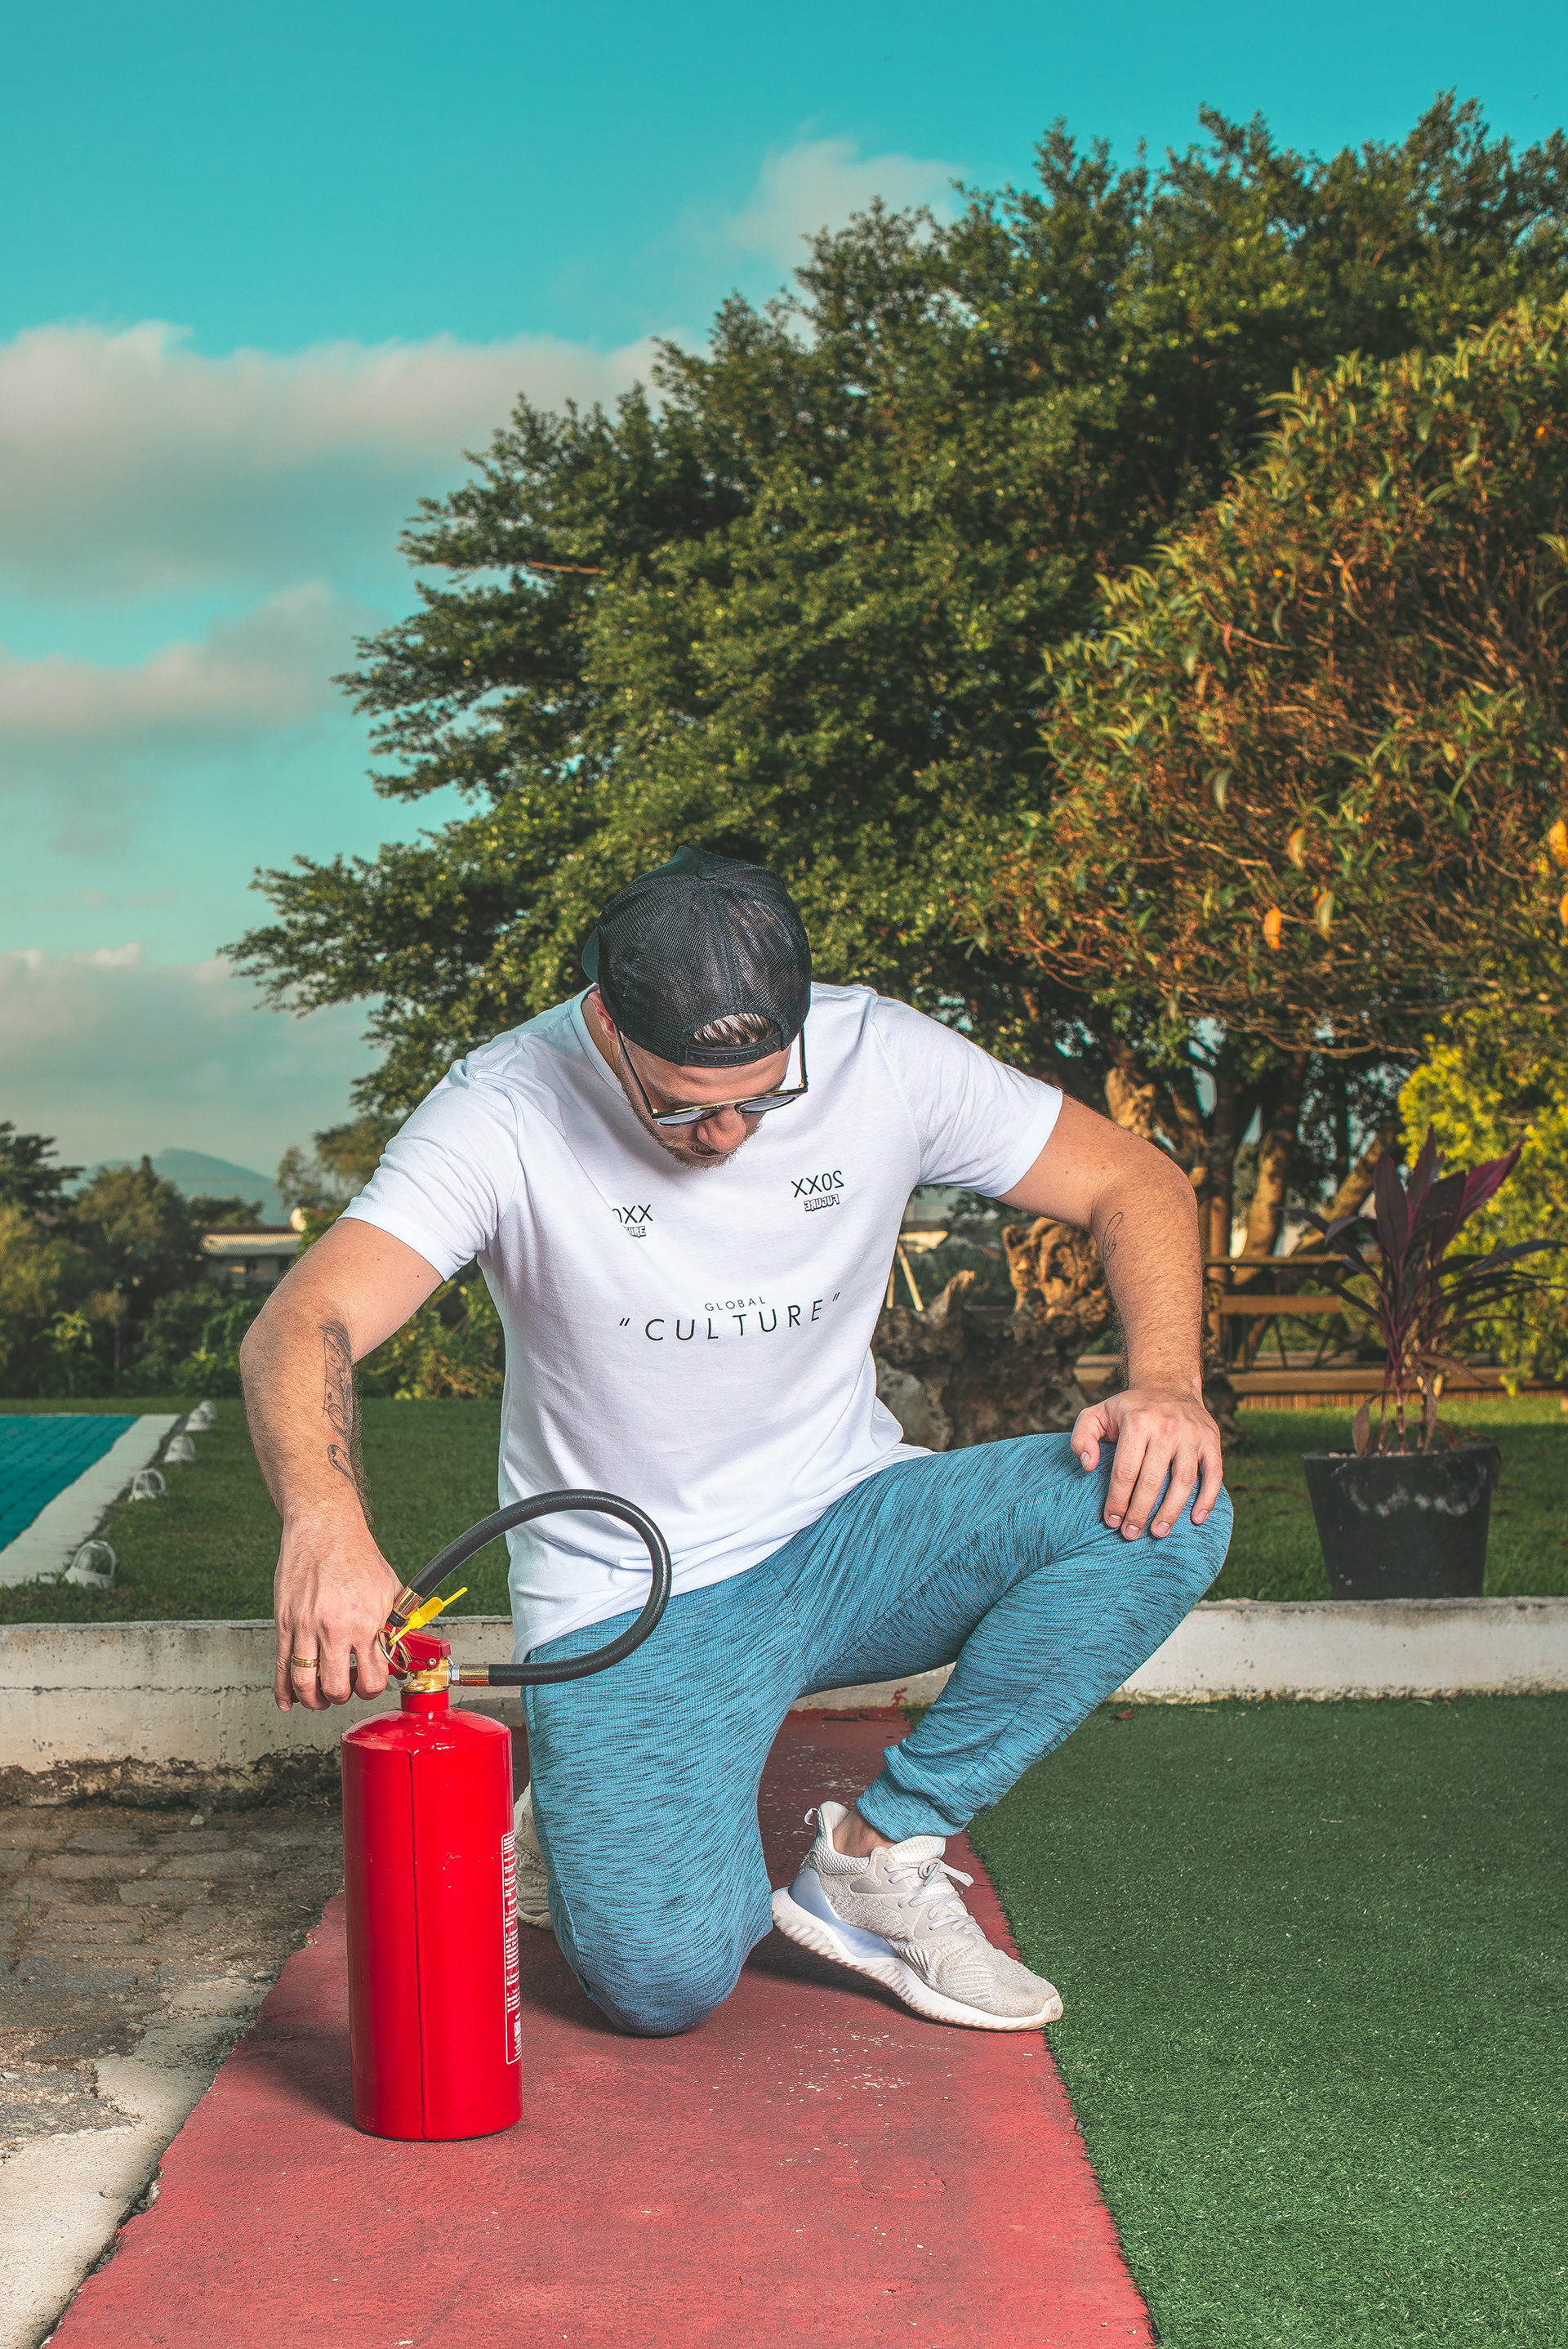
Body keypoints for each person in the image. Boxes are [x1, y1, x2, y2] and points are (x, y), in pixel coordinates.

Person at [242, 845, 1230, 2038]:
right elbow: (304, 1318)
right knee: (664, 1986)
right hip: (633, 1593)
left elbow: (1138, 1182)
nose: (727, 1139)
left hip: (851, 1528)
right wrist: (325, 1524)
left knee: (1166, 1503)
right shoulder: (501, 1108)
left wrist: (1166, 1383)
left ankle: (879, 1853)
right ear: (608, 1025)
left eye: (763, 1100)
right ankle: (586, 1800)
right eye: (683, 1106)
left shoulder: (886, 1055)